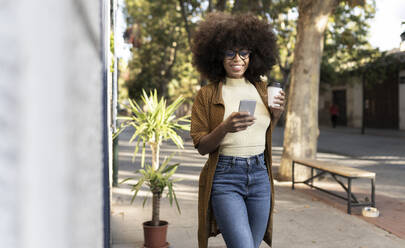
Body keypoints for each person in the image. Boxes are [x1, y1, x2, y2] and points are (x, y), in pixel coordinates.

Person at [190, 12, 285, 248]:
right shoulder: (207, 95)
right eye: (229, 52)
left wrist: (277, 115)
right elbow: (202, 146)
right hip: (225, 177)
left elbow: (263, 131)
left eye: (244, 52)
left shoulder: (262, 89)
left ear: (253, 55)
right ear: (217, 56)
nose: (237, 58)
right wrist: (225, 128)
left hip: (260, 176)